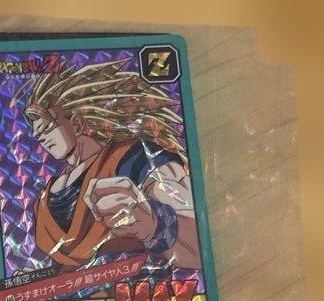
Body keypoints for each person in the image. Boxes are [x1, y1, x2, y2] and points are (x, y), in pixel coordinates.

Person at [23, 59, 201, 271]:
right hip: (79, 291)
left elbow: (197, 243)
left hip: (137, 286)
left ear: (77, 124)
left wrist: (155, 224)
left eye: (47, 129)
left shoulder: (136, 158)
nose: (41, 138)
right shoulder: (46, 198)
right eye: (38, 134)